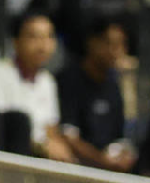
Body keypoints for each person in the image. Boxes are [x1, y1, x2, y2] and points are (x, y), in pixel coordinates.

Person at [0, 8, 69, 161]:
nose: (43, 45)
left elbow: (51, 128)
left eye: (49, 37)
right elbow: (1, 127)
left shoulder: (48, 81)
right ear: (16, 41)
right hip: (9, 155)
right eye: (34, 37)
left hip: (40, 158)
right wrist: (41, 146)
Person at [57, 16, 132, 171]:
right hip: (74, 169)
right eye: (110, 43)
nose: (117, 51)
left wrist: (123, 155)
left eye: (122, 44)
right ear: (92, 42)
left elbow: (120, 136)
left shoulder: (113, 84)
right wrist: (102, 161)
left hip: (108, 169)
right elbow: (68, 136)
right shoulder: (68, 80)